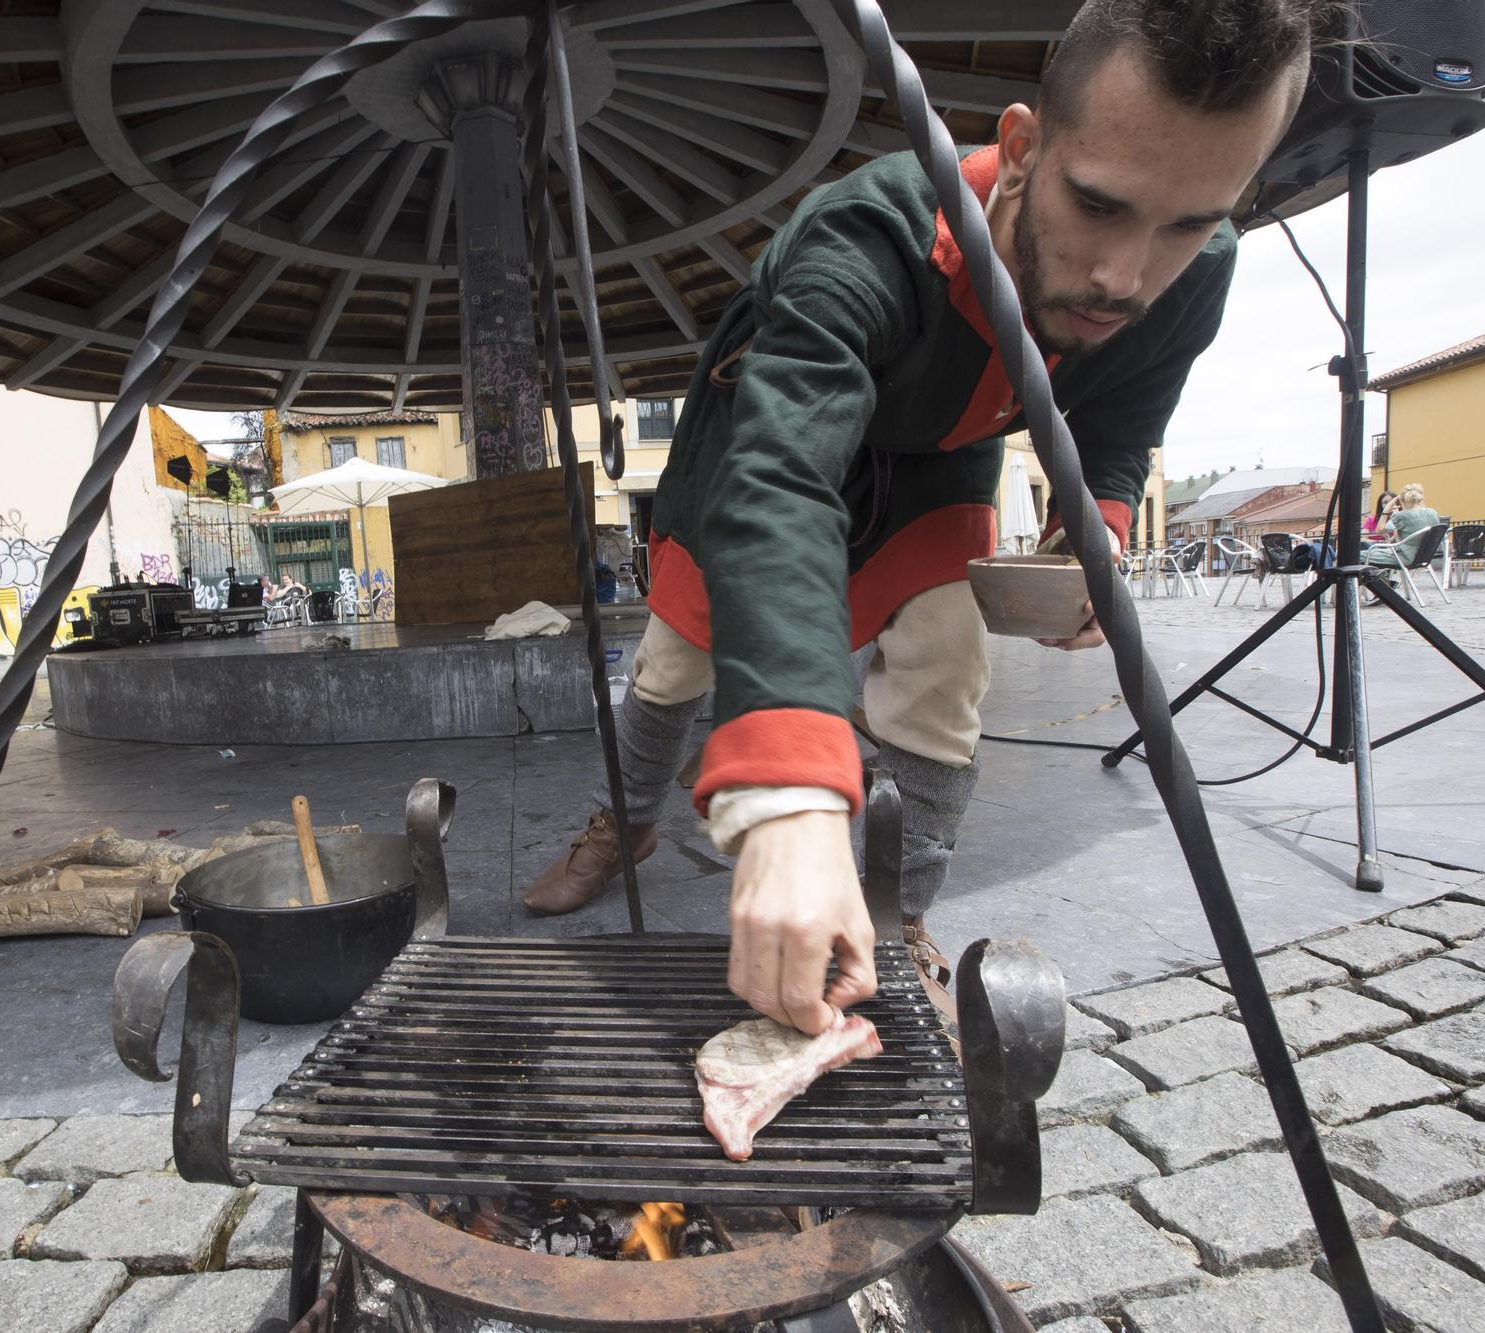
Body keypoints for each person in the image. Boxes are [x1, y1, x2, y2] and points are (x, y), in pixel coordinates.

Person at [523, 0, 1331, 1033]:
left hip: (937, 470)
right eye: (1097, 204)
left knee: (949, 661)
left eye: (1185, 221)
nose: (1122, 277)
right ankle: (627, 821)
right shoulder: (867, 233)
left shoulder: (1196, 273)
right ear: (1022, 146)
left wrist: (1099, 530)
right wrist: (786, 785)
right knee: (679, 653)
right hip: (766, 443)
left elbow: (1122, 416)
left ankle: (892, 910)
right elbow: (780, 476)